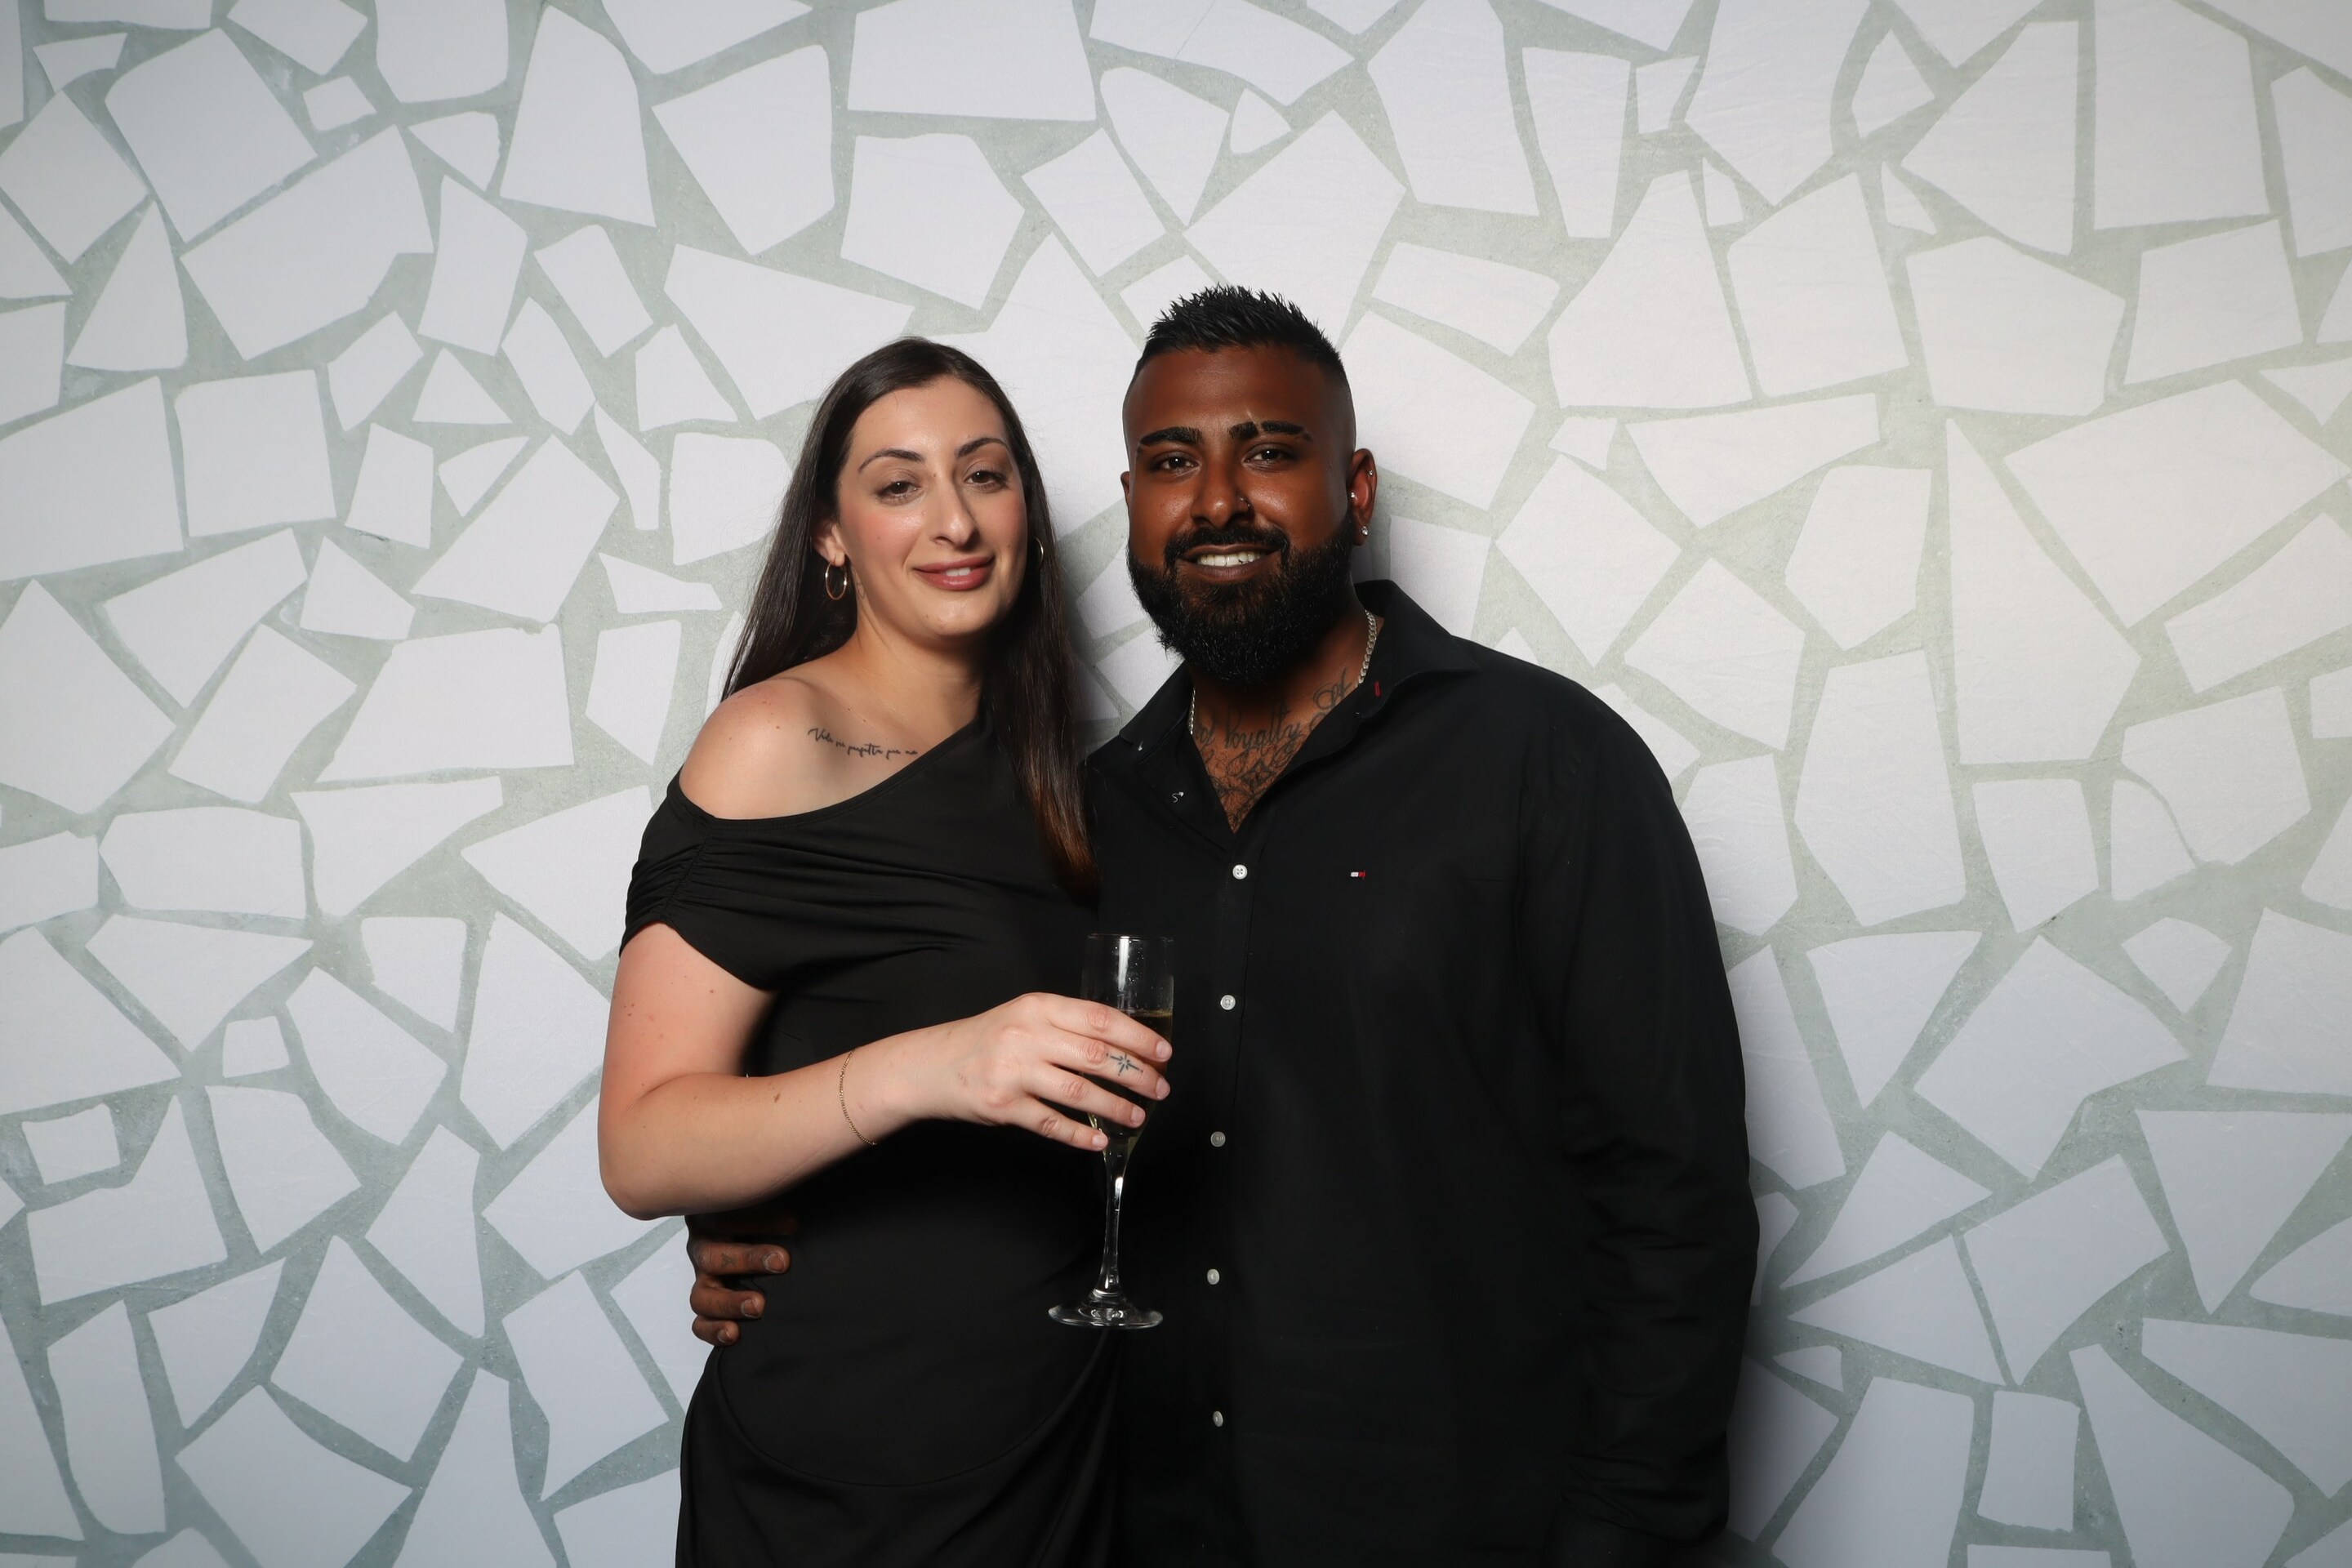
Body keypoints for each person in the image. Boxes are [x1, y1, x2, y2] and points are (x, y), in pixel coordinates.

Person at [687, 289, 1758, 1566]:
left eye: (1270, 451)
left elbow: (1673, 1198)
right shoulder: (1082, 820)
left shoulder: (1546, 762)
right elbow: (953, 1076)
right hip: (1137, 1527)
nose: (1216, 501)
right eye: (1170, 463)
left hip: (1462, 1525)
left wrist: (1624, 1539)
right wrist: (774, 1220)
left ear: (1356, 489)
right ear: (1133, 504)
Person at [599, 337, 1173, 1567]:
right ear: (830, 534)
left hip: (1059, 1435)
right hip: (852, 1458)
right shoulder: (776, 740)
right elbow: (642, 1148)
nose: (954, 520)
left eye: (986, 474)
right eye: (899, 484)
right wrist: (931, 1068)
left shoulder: (1069, 784)